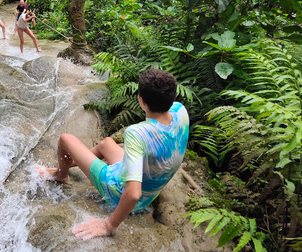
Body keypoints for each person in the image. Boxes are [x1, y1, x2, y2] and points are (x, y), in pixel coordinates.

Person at [36, 69, 189, 241]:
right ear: (172, 97)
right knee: (106, 143)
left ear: (141, 100)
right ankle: (74, 161)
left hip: (121, 193)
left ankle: (61, 175)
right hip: (151, 190)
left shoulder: (137, 134)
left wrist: (109, 225)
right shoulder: (180, 111)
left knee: (65, 139)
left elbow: (132, 194)